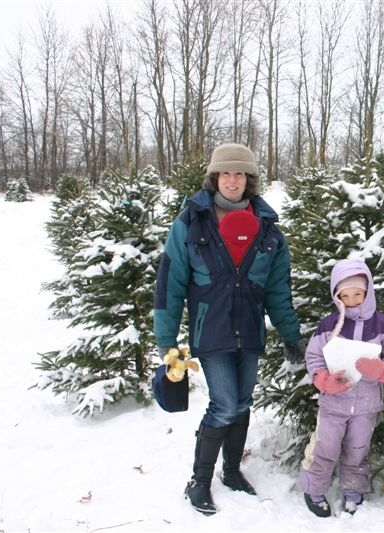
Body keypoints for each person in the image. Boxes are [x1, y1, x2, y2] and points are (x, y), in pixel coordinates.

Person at [154, 143, 308, 516]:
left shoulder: (268, 228)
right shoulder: (192, 222)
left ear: (249, 180)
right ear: (215, 178)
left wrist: (291, 334)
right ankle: (199, 482)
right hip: (212, 332)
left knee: (242, 403)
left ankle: (232, 471)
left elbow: (277, 290)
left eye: (240, 174)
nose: (233, 180)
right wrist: (166, 341)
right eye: (226, 173)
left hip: (250, 332)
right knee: (223, 404)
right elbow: (170, 283)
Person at [299, 258, 384, 517]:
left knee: (358, 448)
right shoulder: (328, 325)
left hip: (367, 404)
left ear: (368, 293)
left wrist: (383, 369)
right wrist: (323, 379)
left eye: (358, 294)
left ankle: (353, 488)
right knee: (326, 446)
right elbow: (313, 357)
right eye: (344, 296)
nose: (352, 300)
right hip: (333, 403)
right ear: (337, 296)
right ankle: (314, 487)